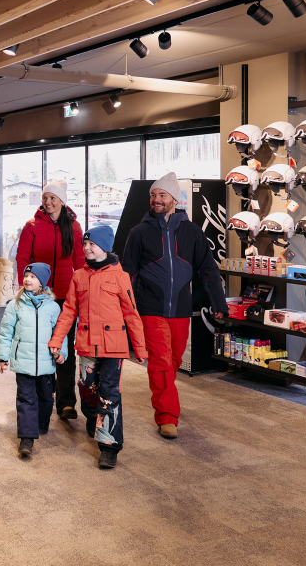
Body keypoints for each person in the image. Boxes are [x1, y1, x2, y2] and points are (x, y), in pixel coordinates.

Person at [121, 172, 228, 439]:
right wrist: (124, 309)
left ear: (174, 199)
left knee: (174, 360)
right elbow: (127, 275)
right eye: (153, 195)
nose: (156, 200)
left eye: (162, 195)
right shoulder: (139, 233)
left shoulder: (192, 232)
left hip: (181, 307)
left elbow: (209, 270)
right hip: (151, 307)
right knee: (160, 362)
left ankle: (166, 396)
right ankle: (167, 415)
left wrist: (219, 303)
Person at [49, 225, 146, 470]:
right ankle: (93, 419)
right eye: (85, 244)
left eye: (92, 244)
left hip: (114, 347)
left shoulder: (120, 275)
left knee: (109, 395)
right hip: (86, 346)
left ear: (104, 247)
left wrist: (140, 348)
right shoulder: (78, 276)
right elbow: (69, 311)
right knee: (87, 390)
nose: (86, 248)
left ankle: (109, 446)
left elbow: (132, 314)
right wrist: (56, 340)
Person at [15, 181, 85, 420]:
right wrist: (25, 287)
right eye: (45, 198)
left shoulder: (74, 227)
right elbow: (22, 257)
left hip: (65, 297)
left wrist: (84, 293)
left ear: (62, 201)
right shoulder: (32, 226)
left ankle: (66, 402)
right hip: (40, 297)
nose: (48, 202)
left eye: (53, 198)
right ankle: (44, 394)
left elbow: (80, 262)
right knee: (40, 347)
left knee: (64, 349)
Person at [0, 262, 67, 459]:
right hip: (23, 363)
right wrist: (3, 356)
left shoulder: (53, 307)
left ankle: (42, 422)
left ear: (42, 282)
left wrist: (62, 353)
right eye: (26, 275)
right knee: (26, 399)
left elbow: (61, 334)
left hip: (46, 364)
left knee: (45, 397)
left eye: (33, 276)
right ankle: (26, 437)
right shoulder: (15, 305)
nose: (27, 279)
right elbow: (5, 332)